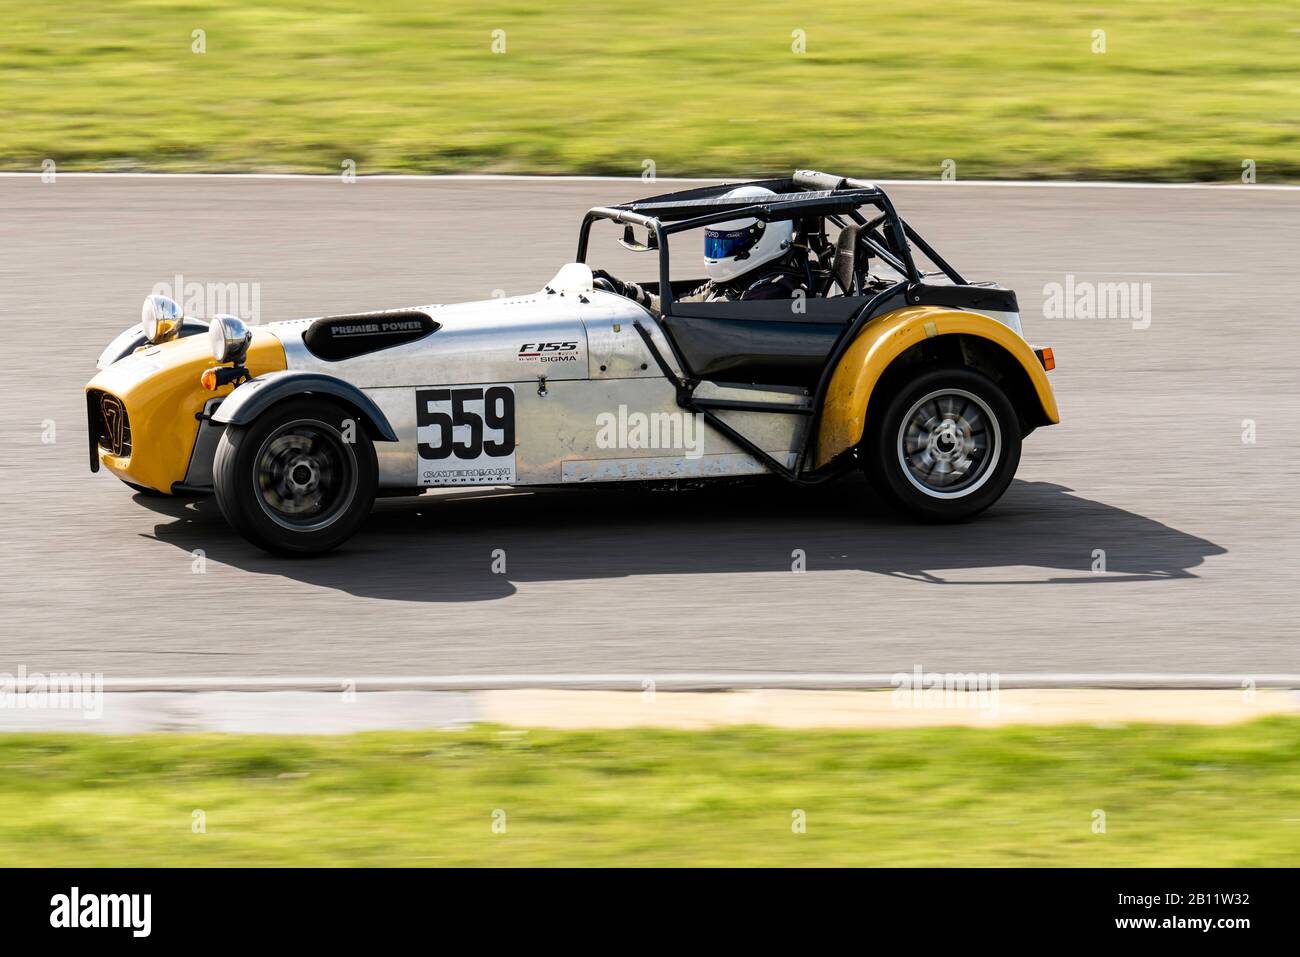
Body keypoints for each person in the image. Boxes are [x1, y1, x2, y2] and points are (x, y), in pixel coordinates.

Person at [593, 186, 809, 314]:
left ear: (763, 239)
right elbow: (677, 309)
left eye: (727, 243)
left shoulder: (774, 291)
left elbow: (703, 327)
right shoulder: (736, 280)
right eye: (715, 243)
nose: (719, 251)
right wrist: (627, 292)